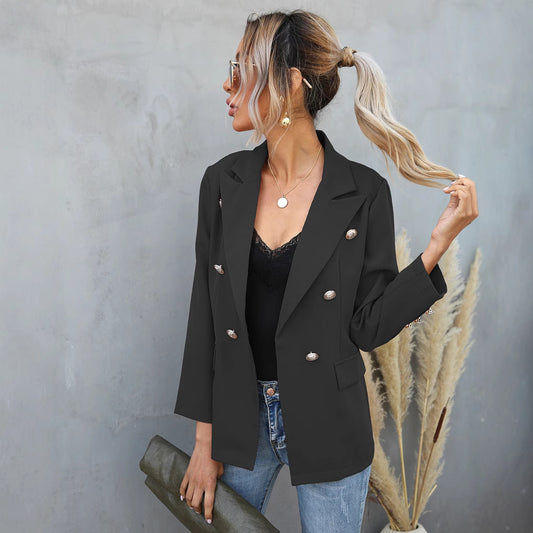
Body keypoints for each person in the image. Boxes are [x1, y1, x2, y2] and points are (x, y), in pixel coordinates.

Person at [176, 9, 478, 532]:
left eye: (241, 68)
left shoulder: (363, 192)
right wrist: (204, 442)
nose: (228, 83)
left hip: (329, 420)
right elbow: (205, 314)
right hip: (239, 419)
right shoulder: (222, 183)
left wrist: (437, 246)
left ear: (291, 83)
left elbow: (367, 326)